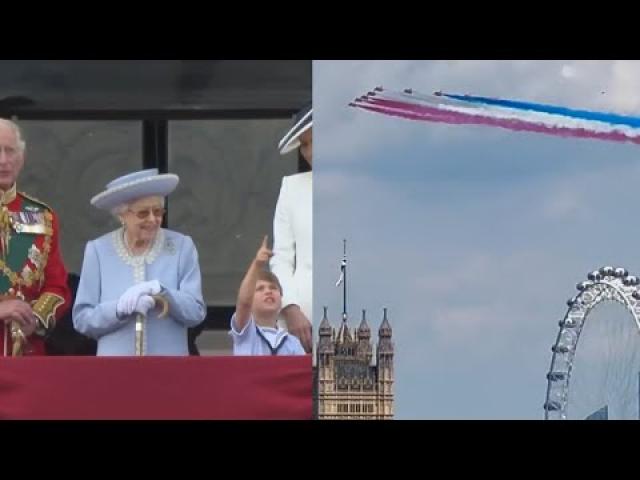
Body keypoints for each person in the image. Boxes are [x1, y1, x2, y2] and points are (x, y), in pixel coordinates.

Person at [72, 168, 206, 355]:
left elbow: (195, 313)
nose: (153, 219)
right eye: (143, 213)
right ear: (122, 215)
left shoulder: (182, 246)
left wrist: (162, 292)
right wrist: (118, 309)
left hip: (168, 369)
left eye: (158, 212)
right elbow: (82, 320)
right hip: (116, 372)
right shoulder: (98, 250)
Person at [0, 118, 71, 357]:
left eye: (10, 151)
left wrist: (35, 319)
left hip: (25, 354)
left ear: (22, 158)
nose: (3, 161)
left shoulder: (42, 216)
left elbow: (57, 287)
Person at [270, 103, 313, 353]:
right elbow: (281, 258)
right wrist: (291, 308)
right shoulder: (292, 187)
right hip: (301, 317)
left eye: (313, 141)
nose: (308, 151)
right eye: (304, 144)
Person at [230, 235, 305, 356]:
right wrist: (257, 264)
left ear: (281, 299)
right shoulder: (246, 332)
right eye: (260, 289)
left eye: (273, 288)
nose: (268, 291)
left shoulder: (293, 343)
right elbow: (244, 303)